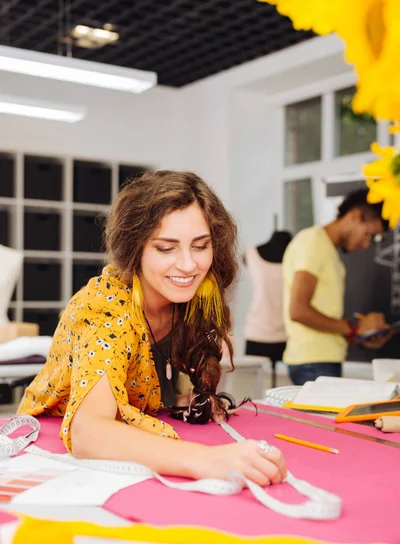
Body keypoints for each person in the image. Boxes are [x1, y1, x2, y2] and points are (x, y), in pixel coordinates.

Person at [18, 171, 286, 487]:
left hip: (132, 447)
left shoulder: (196, 294)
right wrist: (204, 459)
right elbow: (88, 433)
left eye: (200, 246)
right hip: (49, 453)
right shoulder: (107, 308)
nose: (188, 265)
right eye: (165, 248)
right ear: (135, 250)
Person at [283, 188, 391, 386]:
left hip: (321, 361)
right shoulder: (313, 241)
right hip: (312, 362)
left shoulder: (330, 252)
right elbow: (298, 310)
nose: (366, 245)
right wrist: (354, 328)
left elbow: (323, 319)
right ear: (355, 216)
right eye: (368, 234)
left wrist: (363, 333)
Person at [244, 231, 292, 387]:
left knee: (286, 391)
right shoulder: (251, 254)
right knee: (254, 389)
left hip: (289, 335)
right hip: (258, 334)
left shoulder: (298, 257)